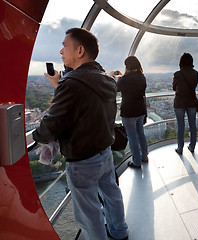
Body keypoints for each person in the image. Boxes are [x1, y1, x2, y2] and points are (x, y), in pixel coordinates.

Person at [32, 28, 128, 240]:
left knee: (89, 212)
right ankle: (120, 232)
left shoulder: (72, 84)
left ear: (80, 51)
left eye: (65, 46)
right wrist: (60, 84)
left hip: (82, 159)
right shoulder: (107, 80)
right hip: (105, 152)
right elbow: (85, 106)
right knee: (112, 195)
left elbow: (53, 123)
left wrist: (36, 135)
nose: (60, 51)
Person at [115, 56, 148, 169]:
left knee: (132, 137)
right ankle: (144, 156)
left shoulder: (125, 78)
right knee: (141, 135)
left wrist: (118, 78)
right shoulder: (142, 77)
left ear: (127, 66)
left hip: (129, 111)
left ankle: (137, 162)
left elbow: (115, 88)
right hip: (141, 109)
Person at [172, 53, 198, 154]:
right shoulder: (195, 73)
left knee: (180, 126)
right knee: (193, 125)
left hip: (179, 103)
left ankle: (180, 148)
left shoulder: (177, 74)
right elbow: (193, 87)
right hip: (191, 102)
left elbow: (174, 88)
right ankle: (192, 146)